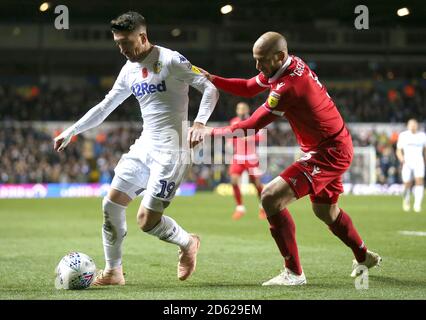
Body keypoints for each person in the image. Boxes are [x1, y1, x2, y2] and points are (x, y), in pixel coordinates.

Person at [188, 31, 381, 286]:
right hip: (332, 145)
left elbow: (252, 125)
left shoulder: (288, 87)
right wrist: (214, 79)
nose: (257, 66)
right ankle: (363, 255)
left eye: (262, 60)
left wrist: (209, 131)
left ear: (279, 56)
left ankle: (294, 272)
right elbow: (247, 87)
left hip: (328, 152)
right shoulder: (288, 66)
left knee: (270, 197)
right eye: (255, 60)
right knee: (325, 211)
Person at [54, 11, 219, 285]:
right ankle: (113, 272)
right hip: (144, 147)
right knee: (111, 205)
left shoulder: (171, 60)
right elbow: (106, 106)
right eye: (118, 43)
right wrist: (72, 130)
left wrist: (200, 123)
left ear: (142, 37)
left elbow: (210, 88)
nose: (122, 49)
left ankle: (188, 242)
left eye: (126, 42)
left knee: (147, 221)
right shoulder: (129, 69)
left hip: (172, 151)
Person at [227, 102, 266, 220]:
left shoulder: (254, 121)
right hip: (238, 157)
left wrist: (249, 137)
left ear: (247, 110)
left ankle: (262, 207)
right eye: (239, 108)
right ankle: (240, 208)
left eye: (243, 108)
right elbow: (231, 135)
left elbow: (261, 136)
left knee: (257, 184)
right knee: (234, 181)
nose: (241, 110)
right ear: (237, 111)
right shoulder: (233, 121)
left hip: (251, 158)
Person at [396, 119, 426, 213]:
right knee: (407, 184)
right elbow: (398, 150)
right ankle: (406, 200)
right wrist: (401, 159)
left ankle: (417, 204)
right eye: (411, 125)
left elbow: (425, 150)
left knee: (419, 182)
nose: (413, 126)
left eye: (415, 124)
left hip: (419, 162)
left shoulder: (422, 136)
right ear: (408, 126)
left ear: (417, 126)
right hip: (407, 162)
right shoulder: (403, 135)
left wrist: (424, 160)